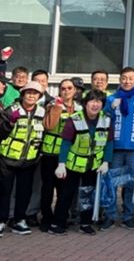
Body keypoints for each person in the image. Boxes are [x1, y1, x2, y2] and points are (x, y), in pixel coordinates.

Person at [49, 90, 113, 236]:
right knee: (66, 194)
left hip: (93, 165)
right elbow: (65, 143)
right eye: (92, 101)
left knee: (88, 195)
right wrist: (61, 164)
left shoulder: (106, 120)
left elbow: (109, 143)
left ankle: (85, 223)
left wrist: (106, 162)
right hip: (73, 164)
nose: (95, 104)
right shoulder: (74, 119)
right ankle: (57, 224)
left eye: (99, 101)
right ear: (85, 103)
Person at [102, 67, 134, 231]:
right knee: (112, 183)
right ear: (119, 80)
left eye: (130, 78)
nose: (127, 81)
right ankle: (109, 216)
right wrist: (110, 108)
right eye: (124, 78)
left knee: (131, 183)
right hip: (114, 147)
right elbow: (103, 120)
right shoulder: (111, 98)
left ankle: (129, 216)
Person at [0, 81, 46, 236]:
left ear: (39, 96)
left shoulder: (42, 112)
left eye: (35, 93)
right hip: (7, 158)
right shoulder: (11, 110)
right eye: (28, 92)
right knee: (4, 191)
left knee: (24, 192)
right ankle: (1, 220)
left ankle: (19, 221)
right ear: (23, 94)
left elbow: (44, 134)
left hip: (29, 160)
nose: (31, 96)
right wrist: (10, 123)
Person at [40, 78, 83, 232]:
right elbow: (49, 125)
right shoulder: (52, 105)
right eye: (63, 88)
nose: (66, 91)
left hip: (69, 154)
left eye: (69, 88)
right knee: (48, 188)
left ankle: (61, 218)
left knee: (64, 190)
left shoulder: (80, 108)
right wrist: (56, 108)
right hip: (50, 153)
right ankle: (46, 218)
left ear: (75, 90)